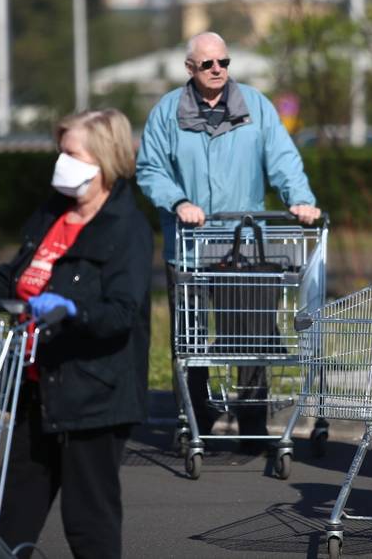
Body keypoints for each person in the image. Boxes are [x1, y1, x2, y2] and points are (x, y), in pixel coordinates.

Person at [0, 109, 152, 559]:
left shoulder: (126, 229)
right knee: (9, 523)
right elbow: (9, 281)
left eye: (72, 153)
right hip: (38, 389)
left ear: (104, 160)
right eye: (60, 151)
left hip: (94, 395)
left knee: (88, 523)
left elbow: (122, 312)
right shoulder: (52, 214)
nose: (62, 162)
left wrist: (72, 311)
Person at [136, 31, 320, 452]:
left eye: (224, 62)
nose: (217, 69)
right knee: (190, 340)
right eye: (208, 64)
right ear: (190, 68)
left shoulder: (255, 105)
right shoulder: (167, 111)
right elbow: (150, 169)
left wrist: (300, 199)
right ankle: (196, 419)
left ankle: (252, 423)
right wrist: (178, 201)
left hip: (244, 245)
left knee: (251, 334)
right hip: (189, 245)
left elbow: (283, 159)